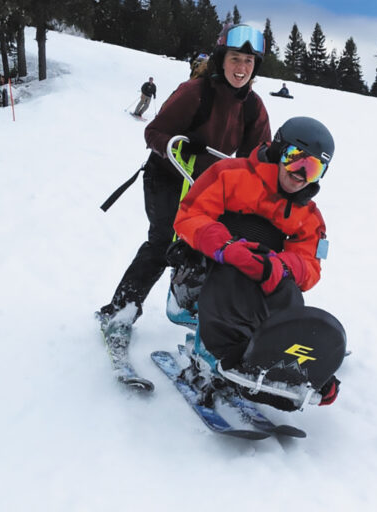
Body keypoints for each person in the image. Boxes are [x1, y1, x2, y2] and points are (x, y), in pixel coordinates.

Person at [98, 24, 272, 328]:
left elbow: (257, 158)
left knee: (210, 245)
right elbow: (153, 132)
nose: (241, 68)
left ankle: (197, 311)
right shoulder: (195, 93)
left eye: (248, 61)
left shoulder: (253, 107)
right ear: (221, 58)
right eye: (235, 59)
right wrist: (174, 144)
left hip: (206, 187)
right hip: (166, 177)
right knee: (164, 242)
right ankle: (120, 311)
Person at [172, 116, 342, 410]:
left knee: (288, 290)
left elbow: (310, 266)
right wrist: (226, 247)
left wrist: (278, 267)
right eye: (295, 160)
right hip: (206, 268)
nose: (300, 175)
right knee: (234, 275)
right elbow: (190, 214)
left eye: (312, 169)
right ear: (278, 151)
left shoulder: (309, 216)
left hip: (260, 276)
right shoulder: (230, 174)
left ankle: (292, 364)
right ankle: (230, 355)